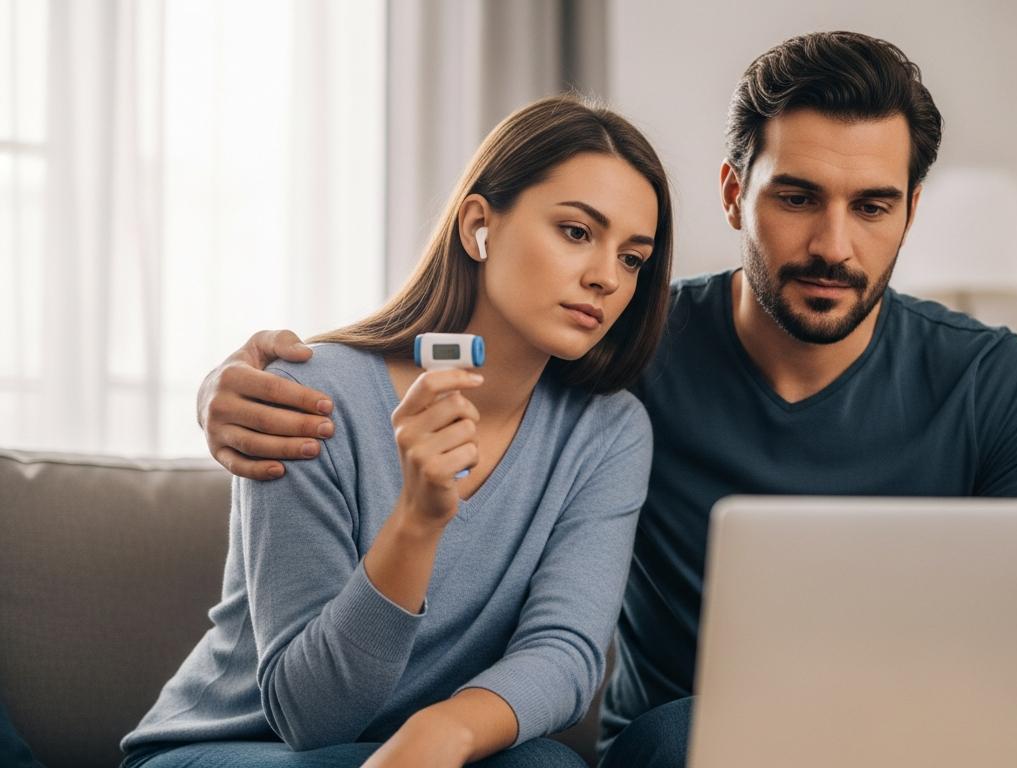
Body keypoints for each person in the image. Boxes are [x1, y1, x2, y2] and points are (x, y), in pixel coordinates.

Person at [194, 32, 1017, 768]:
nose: (833, 245)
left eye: (873, 205)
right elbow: (461, 347)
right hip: (704, 728)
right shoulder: (625, 349)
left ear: (910, 211)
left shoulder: (991, 376)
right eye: (796, 196)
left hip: (959, 721)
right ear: (733, 195)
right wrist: (226, 389)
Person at [121, 94, 674, 768]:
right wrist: (418, 520)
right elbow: (309, 715)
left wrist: (451, 729)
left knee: (547, 766)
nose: (604, 279)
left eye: (633, 259)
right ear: (479, 226)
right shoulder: (312, 397)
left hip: (427, 750)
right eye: (577, 232)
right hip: (238, 750)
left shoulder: (609, 433)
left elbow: (563, 652)